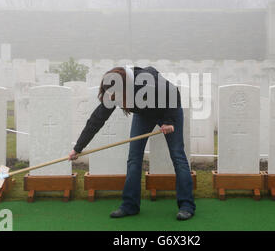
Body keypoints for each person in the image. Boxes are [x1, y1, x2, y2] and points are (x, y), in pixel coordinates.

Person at [68, 66, 196, 220]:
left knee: (178, 156)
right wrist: (78, 148)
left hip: (168, 110)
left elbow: (173, 92)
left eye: (117, 95)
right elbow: (96, 120)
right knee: (134, 158)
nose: (115, 98)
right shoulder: (114, 89)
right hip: (144, 114)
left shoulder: (144, 80)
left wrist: (169, 121)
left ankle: (186, 205)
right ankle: (130, 205)